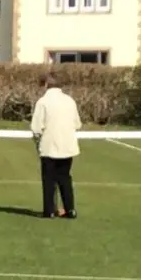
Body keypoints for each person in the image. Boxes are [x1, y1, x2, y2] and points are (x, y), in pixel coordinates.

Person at [30, 72, 82, 219]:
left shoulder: (43, 102)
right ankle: (70, 209)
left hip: (49, 145)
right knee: (65, 177)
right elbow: (77, 124)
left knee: (49, 179)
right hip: (68, 145)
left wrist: (37, 140)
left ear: (46, 85)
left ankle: (50, 210)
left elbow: (36, 127)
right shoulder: (70, 100)